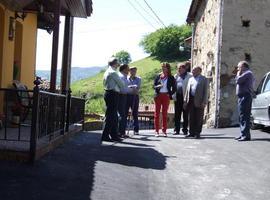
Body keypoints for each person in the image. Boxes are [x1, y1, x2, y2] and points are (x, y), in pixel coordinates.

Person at [101, 57, 124, 142]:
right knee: (111, 116)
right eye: (118, 63)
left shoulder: (107, 71)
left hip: (108, 93)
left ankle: (114, 135)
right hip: (113, 94)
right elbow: (122, 85)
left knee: (113, 116)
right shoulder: (113, 72)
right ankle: (105, 136)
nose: (119, 65)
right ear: (114, 64)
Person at [184, 66, 208, 139]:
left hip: (199, 100)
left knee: (199, 117)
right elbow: (187, 91)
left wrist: (204, 102)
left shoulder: (204, 79)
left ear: (199, 71)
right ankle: (191, 133)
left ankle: (197, 133)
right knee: (191, 117)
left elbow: (206, 92)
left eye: (194, 70)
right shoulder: (190, 79)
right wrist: (185, 101)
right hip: (191, 100)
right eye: (192, 70)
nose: (192, 72)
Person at [233, 61, 255, 141]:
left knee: (244, 116)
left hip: (245, 96)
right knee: (241, 116)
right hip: (241, 96)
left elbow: (238, 80)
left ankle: (246, 136)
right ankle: (242, 134)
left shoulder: (248, 73)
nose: (238, 69)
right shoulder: (244, 73)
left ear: (244, 67)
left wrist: (238, 74)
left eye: (239, 67)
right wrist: (238, 75)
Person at [153, 62, 176, 137]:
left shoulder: (171, 77)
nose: (163, 68)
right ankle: (156, 131)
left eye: (165, 67)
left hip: (166, 96)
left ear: (168, 68)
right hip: (158, 96)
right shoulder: (158, 76)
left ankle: (164, 131)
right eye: (162, 67)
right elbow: (154, 86)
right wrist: (157, 86)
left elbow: (175, 88)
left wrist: (170, 94)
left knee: (164, 114)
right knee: (156, 114)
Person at [173, 64, 192, 135]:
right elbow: (173, 86)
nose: (179, 70)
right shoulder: (176, 76)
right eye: (178, 68)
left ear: (184, 69)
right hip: (178, 97)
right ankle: (176, 130)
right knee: (177, 114)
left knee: (185, 114)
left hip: (185, 97)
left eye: (180, 68)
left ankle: (185, 129)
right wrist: (173, 95)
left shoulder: (190, 76)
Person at [118, 64, 134, 138]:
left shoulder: (124, 77)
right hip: (121, 96)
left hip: (123, 96)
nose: (129, 71)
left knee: (123, 114)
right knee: (122, 114)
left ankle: (121, 132)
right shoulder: (121, 77)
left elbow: (125, 87)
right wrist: (132, 89)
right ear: (124, 69)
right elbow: (122, 89)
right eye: (128, 69)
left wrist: (130, 87)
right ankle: (121, 132)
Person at [126, 66, 141, 135]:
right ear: (129, 71)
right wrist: (132, 87)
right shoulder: (126, 78)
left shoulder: (138, 79)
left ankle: (136, 130)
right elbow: (126, 87)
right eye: (132, 71)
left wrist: (132, 87)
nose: (134, 72)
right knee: (125, 113)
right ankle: (123, 129)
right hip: (127, 97)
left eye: (135, 71)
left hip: (135, 96)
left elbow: (137, 87)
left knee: (135, 113)